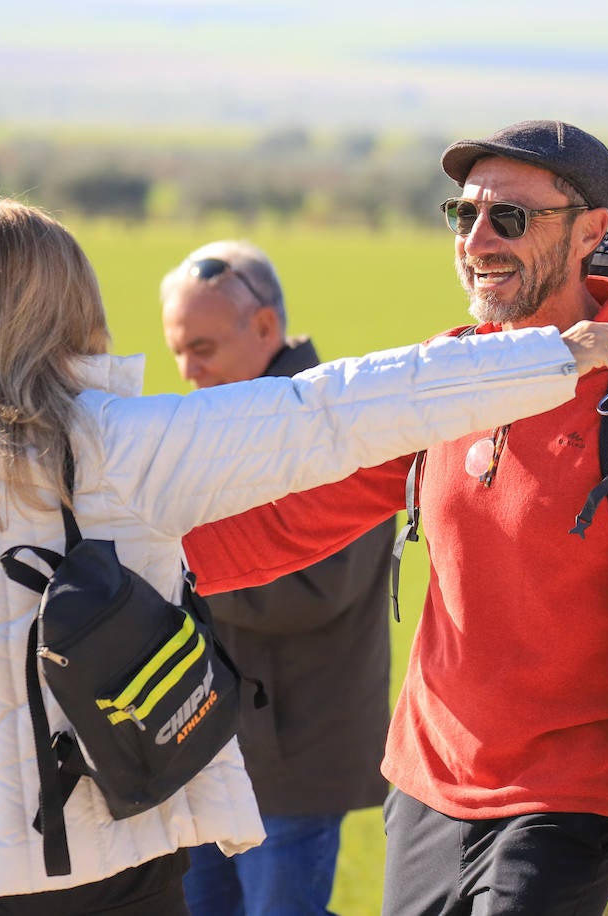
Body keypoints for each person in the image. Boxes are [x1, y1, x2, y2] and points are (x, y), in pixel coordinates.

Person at [0, 193, 608, 914]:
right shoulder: (123, 446)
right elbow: (335, 410)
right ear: (61, 311)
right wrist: (550, 358)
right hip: (105, 859)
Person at [183, 120, 608, 916]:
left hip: (565, 805)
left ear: (590, 232)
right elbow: (304, 520)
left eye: (511, 218)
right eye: (462, 214)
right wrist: (143, 558)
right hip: (427, 788)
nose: (478, 239)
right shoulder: (451, 369)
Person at [161, 240, 394, 915]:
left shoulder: (333, 426)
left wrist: (174, 564)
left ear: (264, 327)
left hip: (293, 759)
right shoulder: (231, 418)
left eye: (201, 347)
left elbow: (312, 589)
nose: (188, 371)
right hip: (206, 750)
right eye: (179, 351)